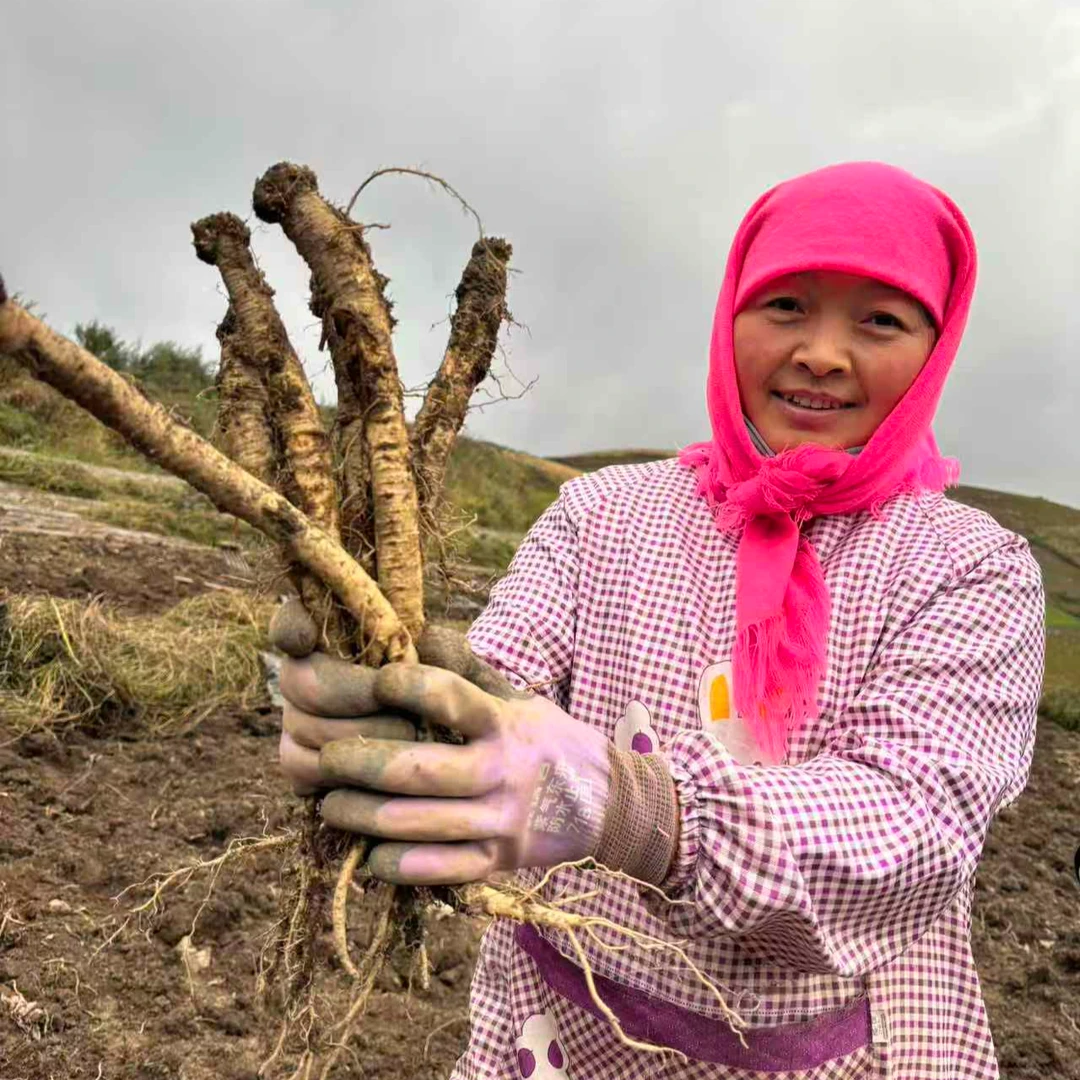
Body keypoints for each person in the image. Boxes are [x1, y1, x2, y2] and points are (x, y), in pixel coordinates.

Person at [273, 161, 1045, 1079]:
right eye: (786, 305)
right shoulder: (605, 514)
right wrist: (377, 702)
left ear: (936, 346)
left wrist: (642, 812)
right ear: (730, 317)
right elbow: (493, 677)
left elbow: (916, 823)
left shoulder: (970, 565)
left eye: (880, 320)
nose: (823, 354)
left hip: (826, 1046)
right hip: (572, 1017)